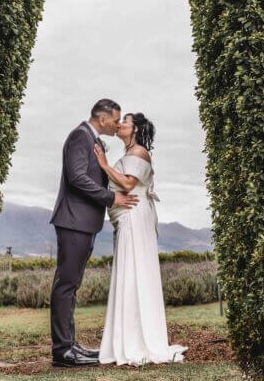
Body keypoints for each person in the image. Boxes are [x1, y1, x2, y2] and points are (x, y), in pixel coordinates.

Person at [48, 98, 139, 368]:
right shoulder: (80, 136)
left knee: (71, 285)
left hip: (83, 223)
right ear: (103, 119)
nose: (118, 124)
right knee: (65, 285)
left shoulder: (93, 140)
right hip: (73, 221)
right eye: (116, 119)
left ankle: (70, 344)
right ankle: (62, 351)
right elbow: (77, 177)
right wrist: (111, 198)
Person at [95, 112, 188, 366]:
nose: (121, 124)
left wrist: (104, 165)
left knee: (134, 272)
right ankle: (126, 339)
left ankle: (138, 342)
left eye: (125, 121)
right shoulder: (129, 153)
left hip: (135, 218)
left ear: (135, 129)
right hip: (127, 219)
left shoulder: (139, 152)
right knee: (128, 274)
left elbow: (127, 183)